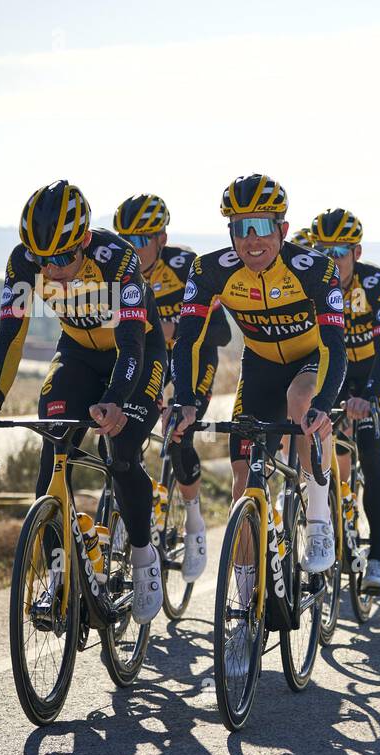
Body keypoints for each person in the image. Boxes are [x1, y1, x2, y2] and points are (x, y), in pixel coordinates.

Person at [0, 180, 167, 622]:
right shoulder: (22, 262)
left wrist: (114, 400)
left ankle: (144, 554)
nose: (51, 270)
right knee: (52, 446)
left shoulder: (118, 259)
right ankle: (59, 574)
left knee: (123, 452)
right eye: (42, 259)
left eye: (62, 258)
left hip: (137, 355)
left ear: (85, 241)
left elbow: (131, 344)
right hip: (76, 353)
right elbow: (11, 334)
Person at [171, 174, 346, 587]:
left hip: (310, 360)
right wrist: (185, 399)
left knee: (300, 398)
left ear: (283, 230)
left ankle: (319, 522)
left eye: (262, 226)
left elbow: (336, 346)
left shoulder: (314, 269)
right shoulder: (210, 270)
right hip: (259, 367)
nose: (251, 238)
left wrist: (325, 406)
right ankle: (247, 597)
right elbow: (189, 340)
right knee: (241, 485)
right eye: (239, 227)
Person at [113, 193, 231, 583]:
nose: (130, 248)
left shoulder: (186, 267)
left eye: (140, 240)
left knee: (180, 435)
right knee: (116, 430)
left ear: (161, 239)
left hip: (192, 358)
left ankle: (195, 523)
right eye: (124, 238)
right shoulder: (115, 268)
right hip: (148, 360)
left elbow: (220, 332)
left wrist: (172, 330)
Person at [308, 208, 380, 594]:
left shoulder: (376, 283)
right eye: (323, 251)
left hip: (375, 372)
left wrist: (372, 397)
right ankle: (339, 519)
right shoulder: (309, 282)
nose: (331, 260)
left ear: (356, 253)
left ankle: (376, 558)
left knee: (372, 451)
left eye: (340, 252)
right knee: (331, 452)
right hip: (336, 372)